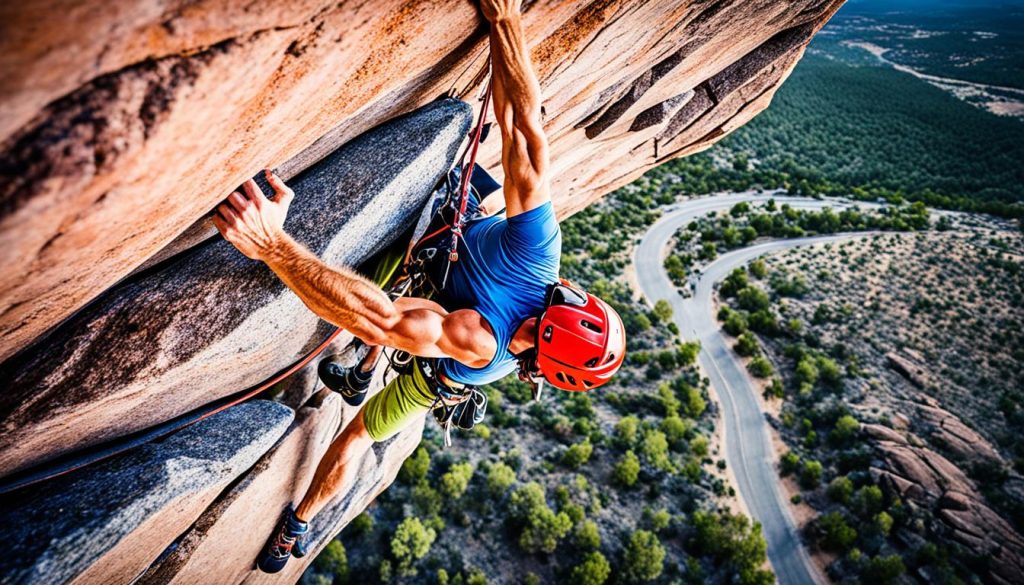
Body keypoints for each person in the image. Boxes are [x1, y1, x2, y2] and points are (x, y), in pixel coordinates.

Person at [213, 0, 625, 574]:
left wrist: (271, 245)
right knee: (412, 288)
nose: (542, 305)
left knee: (359, 433)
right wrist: (505, 21)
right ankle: (358, 374)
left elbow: (381, 319)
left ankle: (299, 522)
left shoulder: (483, 345)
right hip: (434, 265)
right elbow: (525, 138)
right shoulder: (539, 256)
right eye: (551, 303)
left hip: (437, 366)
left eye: (540, 322)